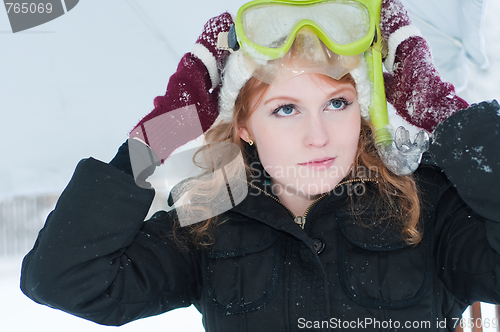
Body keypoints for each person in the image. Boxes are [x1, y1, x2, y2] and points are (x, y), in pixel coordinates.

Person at [20, 0, 500, 331]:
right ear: (244, 125)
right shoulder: (209, 217)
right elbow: (63, 277)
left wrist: (445, 113)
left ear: (365, 110)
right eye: (285, 109)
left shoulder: (426, 206)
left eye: (338, 103)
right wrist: (161, 131)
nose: (318, 135)